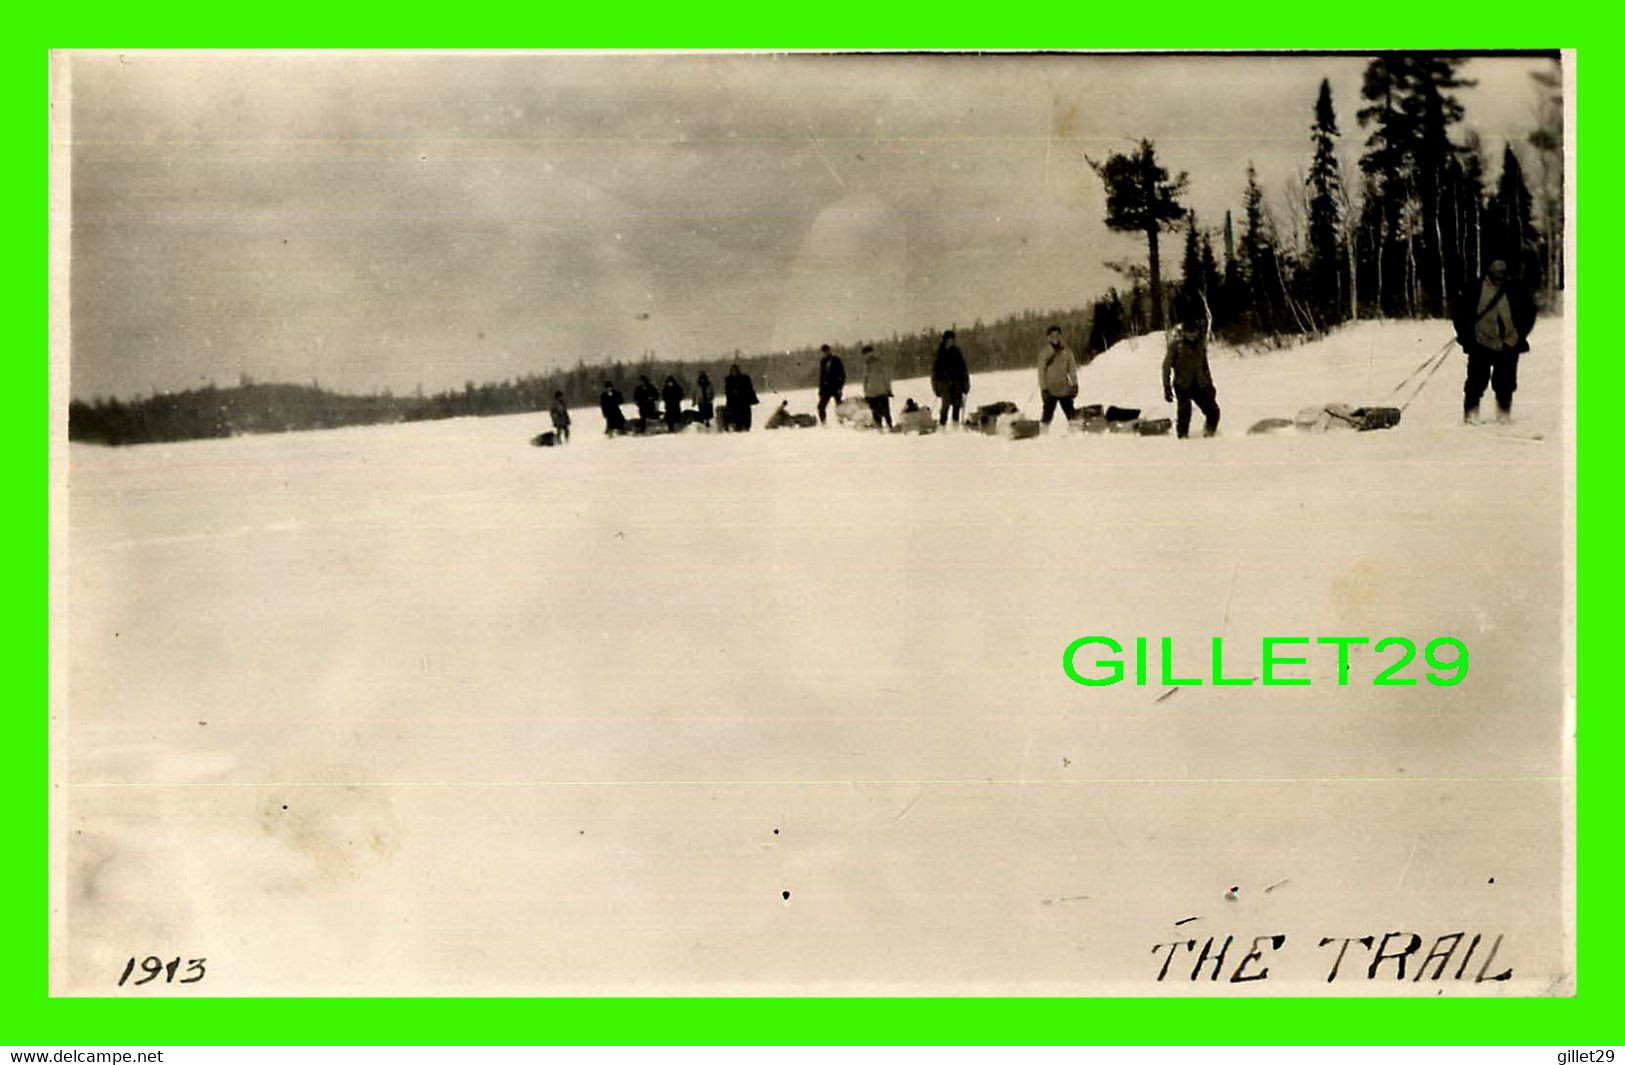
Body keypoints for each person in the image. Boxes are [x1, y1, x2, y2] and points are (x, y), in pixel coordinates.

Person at [1452, 257, 1537, 424]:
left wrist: (1520, 334)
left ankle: (1503, 416)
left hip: (1508, 343)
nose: (1500, 268)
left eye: (1503, 265)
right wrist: (1466, 336)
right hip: (1480, 343)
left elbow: (1529, 312)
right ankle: (1471, 416)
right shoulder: (1474, 288)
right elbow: (1459, 313)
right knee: (1475, 383)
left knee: (1505, 384)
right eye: (1496, 264)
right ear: (1488, 267)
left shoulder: (1516, 288)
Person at [1161, 316, 1220, 438]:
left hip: (1200, 384)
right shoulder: (1176, 346)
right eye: (1189, 332)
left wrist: (1210, 385)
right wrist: (1167, 387)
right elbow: (1166, 367)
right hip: (1182, 385)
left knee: (1213, 411)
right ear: (1184, 333)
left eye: (1195, 332)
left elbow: (1205, 366)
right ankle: (1183, 437)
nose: (1193, 335)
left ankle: (1209, 434)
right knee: (1184, 412)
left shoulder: (1200, 346)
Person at [1037, 325, 1079, 427]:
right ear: (1048, 337)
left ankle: (1076, 435)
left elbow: (1072, 370)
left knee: (1071, 415)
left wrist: (1075, 384)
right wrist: (1043, 389)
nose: (1055, 337)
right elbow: (1041, 372)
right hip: (1050, 389)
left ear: (1060, 336)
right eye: (1052, 335)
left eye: (1057, 334)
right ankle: (1043, 436)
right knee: (1047, 416)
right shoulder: (1044, 353)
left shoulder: (1067, 352)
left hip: (1064, 388)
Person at [931, 329, 971, 427]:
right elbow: (935, 372)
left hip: (957, 383)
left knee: (957, 404)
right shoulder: (940, 353)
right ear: (945, 340)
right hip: (945, 383)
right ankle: (942, 425)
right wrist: (936, 387)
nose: (951, 342)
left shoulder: (957, 352)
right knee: (946, 405)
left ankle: (955, 425)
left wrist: (966, 384)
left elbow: (963, 369)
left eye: (952, 340)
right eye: (949, 340)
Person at [862, 345, 893, 430]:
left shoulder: (877, 363)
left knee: (882, 411)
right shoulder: (868, 364)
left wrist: (888, 389)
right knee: (878, 411)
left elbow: (886, 376)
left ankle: (886, 426)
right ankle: (883, 426)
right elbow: (865, 380)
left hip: (879, 391)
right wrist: (866, 393)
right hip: (874, 392)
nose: (867, 356)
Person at [723, 363, 759, 431]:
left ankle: (745, 427)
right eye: (733, 371)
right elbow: (728, 393)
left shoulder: (744, 379)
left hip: (744, 402)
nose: (734, 372)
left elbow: (749, 389)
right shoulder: (729, 380)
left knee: (746, 417)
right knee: (737, 418)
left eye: (735, 370)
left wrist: (751, 398)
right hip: (734, 403)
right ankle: (739, 427)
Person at [817, 344, 846, 425]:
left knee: (839, 406)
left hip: (836, 387)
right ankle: (823, 422)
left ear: (829, 351)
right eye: (824, 352)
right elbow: (822, 377)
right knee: (821, 406)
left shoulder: (836, 360)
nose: (825, 353)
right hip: (826, 388)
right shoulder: (823, 362)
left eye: (826, 351)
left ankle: (841, 421)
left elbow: (842, 374)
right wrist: (820, 389)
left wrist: (840, 387)